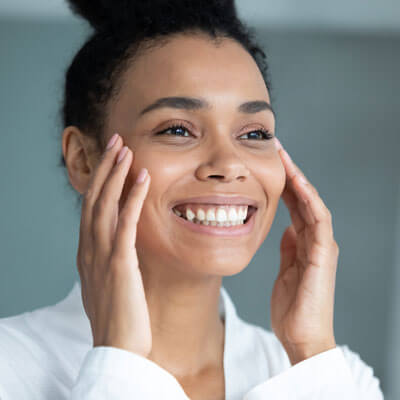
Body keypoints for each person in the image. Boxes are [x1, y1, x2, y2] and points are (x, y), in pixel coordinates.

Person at [0, 1, 385, 399]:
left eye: (254, 133)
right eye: (178, 129)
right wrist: (118, 362)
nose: (229, 164)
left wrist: (310, 353)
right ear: (83, 160)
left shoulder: (336, 379)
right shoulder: (10, 369)